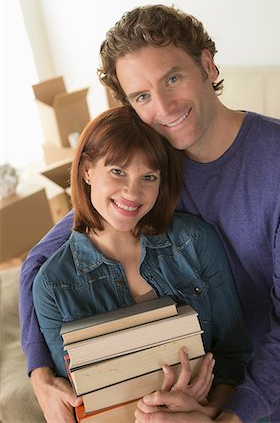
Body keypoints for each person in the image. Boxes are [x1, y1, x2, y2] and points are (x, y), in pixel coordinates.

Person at [19, 4, 280, 423]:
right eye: (142, 96)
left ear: (207, 64)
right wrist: (39, 372)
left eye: (172, 78)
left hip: (276, 398)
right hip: (186, 391)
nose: (164, 107)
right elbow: (43, 257)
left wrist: (228, 416)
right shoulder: (151, 169)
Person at [31, 106, 251, 422]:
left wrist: (203, 411)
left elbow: (235, 354)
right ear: (87, 171)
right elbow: (80, 402)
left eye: (148, 176)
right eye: (118, 171)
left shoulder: (195, 241)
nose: (132, 192)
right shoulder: (53, 285)